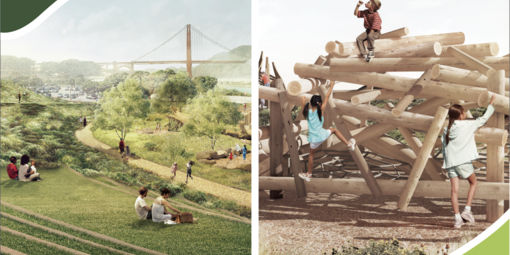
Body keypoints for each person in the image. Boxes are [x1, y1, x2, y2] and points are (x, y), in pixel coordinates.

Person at [442, 94, 496, 228]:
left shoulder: (446, 129)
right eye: (464, 112)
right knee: (474, 182)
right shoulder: (466, 125)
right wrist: (491, 104)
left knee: (454, 191)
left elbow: (444, 148)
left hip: (450, 163)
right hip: (463, 162)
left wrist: (448, 163)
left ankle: (457, 219)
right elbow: (483, 119)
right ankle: (467, 210)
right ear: (460, 115)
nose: (465, 114)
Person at [298, 85, 356, 182]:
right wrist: (331, 86)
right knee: (334, 130)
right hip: (322, 135)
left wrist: (303, 101)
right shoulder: (320, 110)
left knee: (311, 155)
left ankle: (309, 174)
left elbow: (304, 108)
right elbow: (327, 97)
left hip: (314, 139)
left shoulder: (307, 112)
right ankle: (349, 144)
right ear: (319, 103)